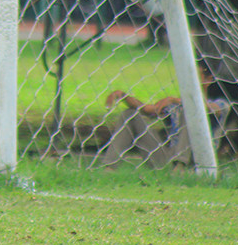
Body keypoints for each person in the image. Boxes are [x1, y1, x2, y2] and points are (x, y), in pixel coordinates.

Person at [98, 62, 230, 169]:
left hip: (197, 160)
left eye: (195, 76)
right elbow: (147, 109)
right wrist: (122, 95)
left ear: (209, 80)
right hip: (167, 157)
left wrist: (175, 100)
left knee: (189, 111)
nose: (190, 80)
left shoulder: (221, 104)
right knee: (129, 114)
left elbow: (207, 108)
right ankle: (109, 167)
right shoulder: (175, 104)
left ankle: (180, 166)